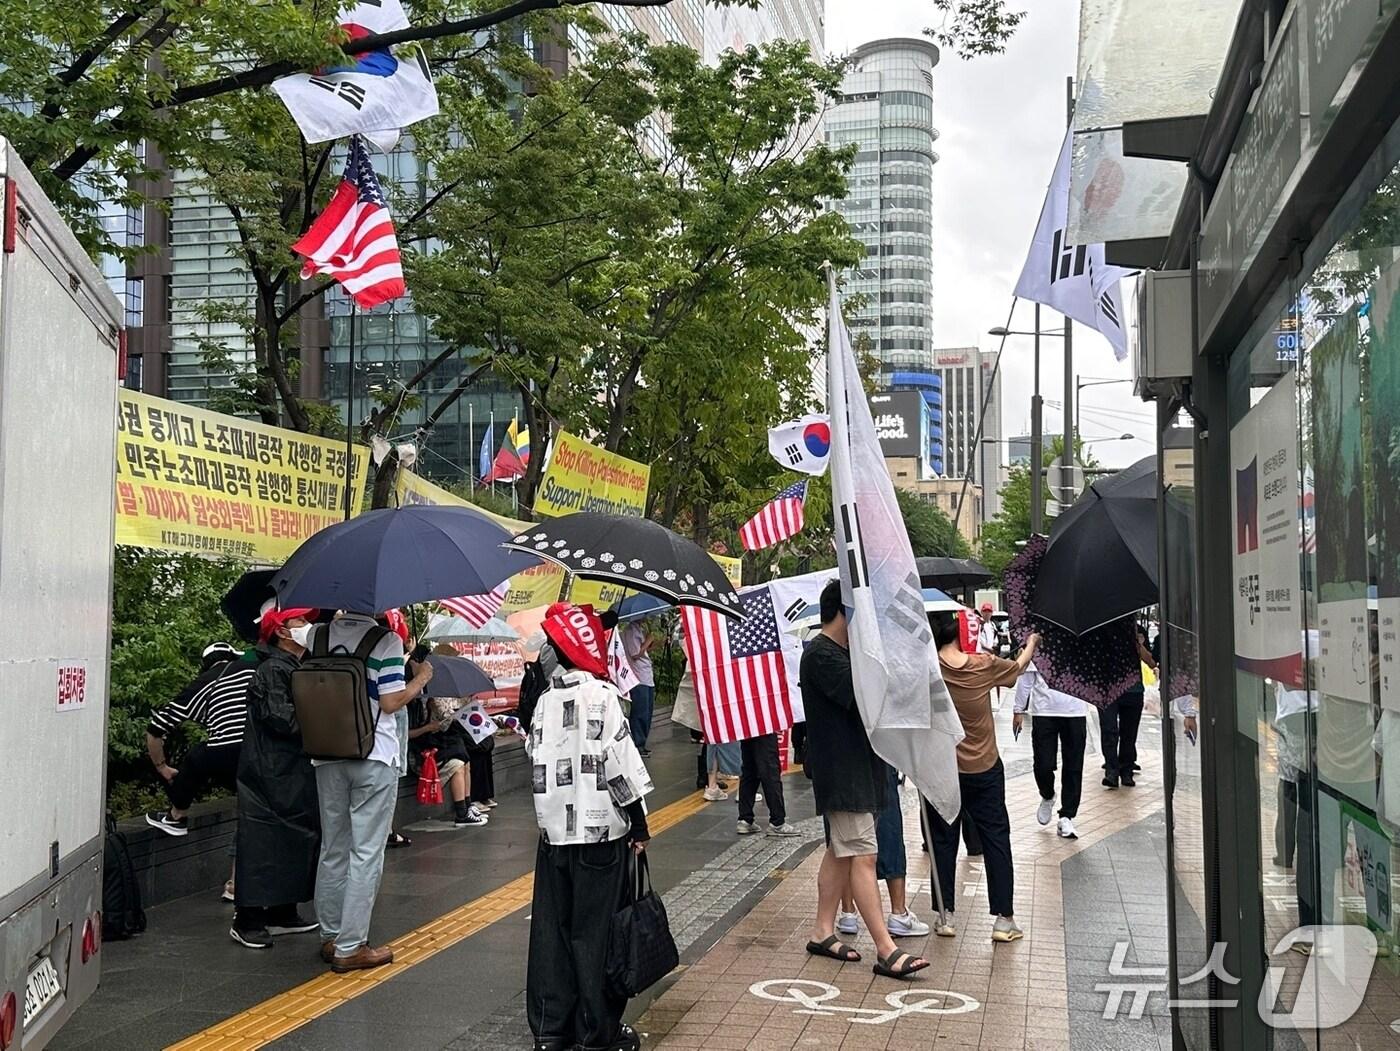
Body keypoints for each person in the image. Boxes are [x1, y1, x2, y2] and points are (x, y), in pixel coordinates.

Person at [526, 603, 653, 1051]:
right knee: (594, 934)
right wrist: (639, 825)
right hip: (601, 836)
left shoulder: (543, 702)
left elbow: (533, 756)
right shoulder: (603, 696)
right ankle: (597, 1033)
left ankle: (550, 1030)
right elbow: (621, 765)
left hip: (554, 836)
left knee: (553, 932)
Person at [801, 579, 928, 979]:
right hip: (843, 774)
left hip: (859, 770)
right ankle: (886, 949)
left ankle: (823, 931)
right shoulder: (822, 654)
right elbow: (868, 698)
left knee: (840, 852)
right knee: (863, 855)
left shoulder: (841, 652)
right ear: (844, 612)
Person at [311, 609, 433, 972]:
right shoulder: (386, 640)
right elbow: (390, 701)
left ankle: (331, 937)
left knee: (333, 847)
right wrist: (421, 678)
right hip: (373, 754)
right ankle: (351, 947)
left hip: (326, 752)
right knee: (366, 852)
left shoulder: (317, 635)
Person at [927, 612, 1039, 943]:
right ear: (959, 634)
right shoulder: (983, 664)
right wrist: (1031, 643)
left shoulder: (929, 670)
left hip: (944, 770)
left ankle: (945, 915)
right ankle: (1004, 920)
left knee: (943, 840)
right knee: (995, 838)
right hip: (985, 768)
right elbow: (1017, 669)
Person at [230, 608, 322, 949]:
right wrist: (321, 724)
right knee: (264, 843)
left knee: (293, 838)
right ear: (282, 632)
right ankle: (248, 918)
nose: (307, 627)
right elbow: (281, 719)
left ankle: (283, 910)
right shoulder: (272, 669)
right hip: (269, 771)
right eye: (301, 622)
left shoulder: (292, 667)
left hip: (289, 769)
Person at [145, 642, 245, 837]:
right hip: (266, 751)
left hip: (229, 755)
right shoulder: (254, 668)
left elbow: (155, 729)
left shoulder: (202, 683)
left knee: (198, 756)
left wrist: (161, 767)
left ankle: (176, 816)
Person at [837, 765, 930, 939]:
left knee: (843, 838)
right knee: (888, 831)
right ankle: (898, 913)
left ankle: (848, 912)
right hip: (878, 760)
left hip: (839, 762)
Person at [1013, 662, 1089, 839]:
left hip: (1075, 711)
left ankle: (1067, 816)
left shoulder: (1086, 645)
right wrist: (1018, 709)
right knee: (1042, 764)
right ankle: (1047, 795)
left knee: (1074, 765)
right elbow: (1026, 678)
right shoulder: (1040, 642)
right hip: (1044, 711)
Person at [407, 695, 488, 827]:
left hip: (432, 744)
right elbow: (406, 733)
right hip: (418, 753)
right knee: (457, 764)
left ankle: (468, 805)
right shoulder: (410, 707)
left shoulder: (427, 703)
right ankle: (461, 813)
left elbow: (444, 725)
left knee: (465, 759)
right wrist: (427, 728)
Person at [1101, 624, 1155, 788]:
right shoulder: (1102, 629)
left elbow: (1151, 662)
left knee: (1129, 734)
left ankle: (1126, 771)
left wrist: (1136, 643)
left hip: (1133, 690)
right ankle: (1111, 771)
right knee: (1110, 730)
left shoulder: (1137, 631)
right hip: (1108, 690)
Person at [736, 732, 800, 837]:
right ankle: (777, 821)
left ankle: (745, 819)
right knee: (770, 769)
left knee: (749, 769)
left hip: (747, 724)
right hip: (764, 724)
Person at [621, 617, 656, 756]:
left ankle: (642, 741)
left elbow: (643, 652)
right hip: (638, 677)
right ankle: (637, 742)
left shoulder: (638, 630)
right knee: (640, 711)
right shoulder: (630, 631)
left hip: (646, 675)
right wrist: (647, 641)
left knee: (647, 711)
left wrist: (652, 643)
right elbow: (635, 653)